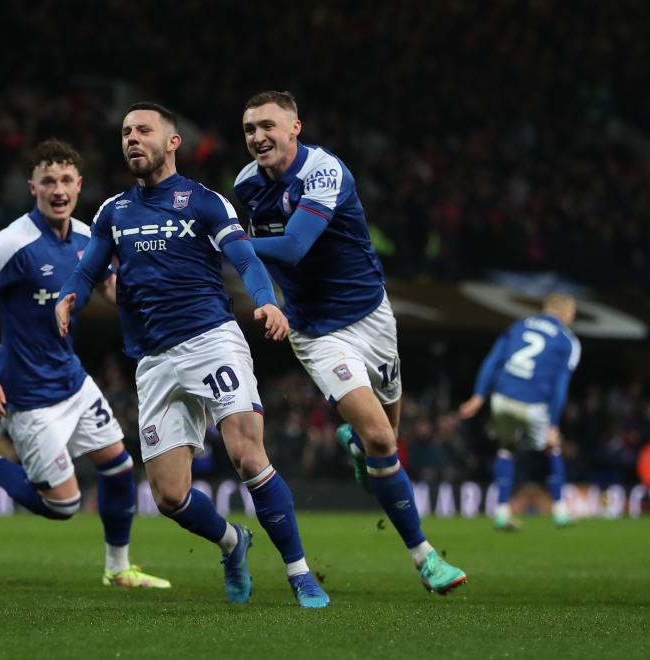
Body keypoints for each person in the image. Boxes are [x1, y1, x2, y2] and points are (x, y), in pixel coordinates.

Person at [55, 102, 330, 608]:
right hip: (154, 360)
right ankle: (233, 542)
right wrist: (70, 293)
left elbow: (243, 256)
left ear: (172, 141)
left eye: (143, 130)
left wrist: (267, 301)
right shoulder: (113, 211)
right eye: (125, 132)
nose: (132, 139)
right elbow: (89, 268)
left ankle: (300, 573)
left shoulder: (205, 203)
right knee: (169, 497)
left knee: (248, 455)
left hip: (211, 339)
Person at [234, 90, 466, 595]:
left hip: (372, 317)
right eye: (250, 128)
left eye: (268, 126)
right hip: (317, 332)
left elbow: (293, 247)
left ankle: (357, 448)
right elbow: (259, 261)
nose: (258, 137)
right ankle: (426, 558)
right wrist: (262, 293)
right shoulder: (247, 186)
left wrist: (227, 242)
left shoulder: (324, 172)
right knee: (383, 440)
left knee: (387, 443)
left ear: (296, 127)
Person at [0, 139, 169, 590]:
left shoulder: (86, 237)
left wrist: (158, 296)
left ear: (79, 186)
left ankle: (118, 569)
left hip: (73, 380)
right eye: (47, 181)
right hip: (28, 393)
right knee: (62, 506)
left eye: (65, 181)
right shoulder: (12, 243)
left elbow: (114, 290)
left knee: (118, 466)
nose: (57, 189)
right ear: (32, 188)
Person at [459, 293, 580, 529]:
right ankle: (560, 512)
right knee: (551, 447)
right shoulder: (568, 341)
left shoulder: (519, 325)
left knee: (506, 448)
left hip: (502, 397)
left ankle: (502, 513)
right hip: (533, 402)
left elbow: (493, 360)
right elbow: (560, 386)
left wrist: (478, 395)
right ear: (565, 312)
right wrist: (553, 424)